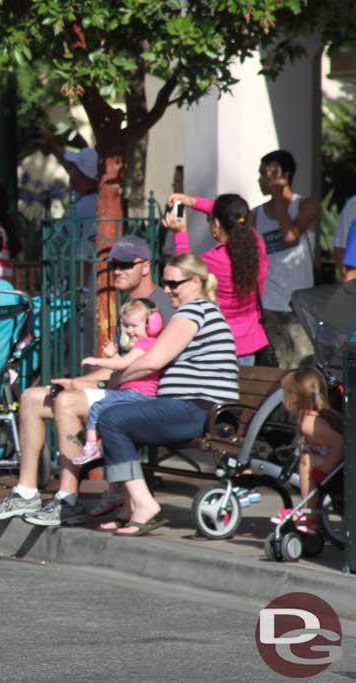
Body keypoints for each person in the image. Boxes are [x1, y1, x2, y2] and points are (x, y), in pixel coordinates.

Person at [0, 235, 174, 526]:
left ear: (145, 266)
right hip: (118, 391)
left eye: (124, 265)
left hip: (141, 399)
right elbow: (118, 368)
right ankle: (26, 491)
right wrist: (82, 381)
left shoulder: (158, 310)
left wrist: (87, 384)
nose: (116, 271)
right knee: (32, 398)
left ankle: (67, 500)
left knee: (67, 402)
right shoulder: (132, 306)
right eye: (113, 265)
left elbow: (144, 366)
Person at [96, 254, 239, 535]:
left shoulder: (193, 311)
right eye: (164, 283)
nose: (168, 290)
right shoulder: (201, 310)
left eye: (174, 283)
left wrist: (111, 384)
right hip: (195, 407)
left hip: (199, 409)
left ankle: (143, 503)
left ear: (195, 281)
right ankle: (129, 506)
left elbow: (151, 362)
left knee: (112, 419)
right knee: (114, 417)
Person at [165, 193, 269, 364]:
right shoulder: (257, 245)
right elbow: (233, 213)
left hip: (218, 342)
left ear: (217, 224)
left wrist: (180, 233)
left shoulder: (214, 260)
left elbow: (184, 270)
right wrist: (192, 202)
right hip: (250, 343)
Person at [72, 299, 163, 465]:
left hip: (137, 394)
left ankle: (91, 446)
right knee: (106, 412)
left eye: (134, 326)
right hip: (135, 394)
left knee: (97, 407)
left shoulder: (145, 343)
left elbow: (121, 365)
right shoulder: (149, 344)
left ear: (151, 325)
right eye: (126, 326)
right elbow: (124, 366)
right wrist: (113, 355)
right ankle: (98, 445)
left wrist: (96, 360)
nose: (129, 331)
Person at [253, 150, 320, 368]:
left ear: (285, 174)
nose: (261, 180)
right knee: (278, 371)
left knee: (304, 366)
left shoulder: (306, 205)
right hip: (269, 305)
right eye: (261, 174)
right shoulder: (256, 214)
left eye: (267, 173)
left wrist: (279, 193)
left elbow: (289, 234)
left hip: (299, 306)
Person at [270, 367, 343, 534]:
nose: (283, 401)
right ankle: (307, 512)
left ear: (296, 399)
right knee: (305, 457)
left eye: (286, 395)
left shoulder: (310, 423)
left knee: (306, 462)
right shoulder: (314, 417)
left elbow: (340, 442)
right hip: (333, 460)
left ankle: (308, 514)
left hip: (335, 464)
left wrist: (325, 470)